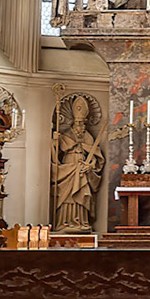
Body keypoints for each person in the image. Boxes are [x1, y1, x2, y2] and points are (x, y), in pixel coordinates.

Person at [50, 96, 105, 232]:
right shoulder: (66, 135)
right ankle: (64, 222)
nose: (80, 127)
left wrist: (90, 165)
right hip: (68, 166)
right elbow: (55, 154)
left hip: (81, 168)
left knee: (82, 192)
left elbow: (95, 156)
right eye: (78, 124)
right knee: (67, 196)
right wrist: (55, 142)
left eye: (82, 124)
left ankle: (81, 221)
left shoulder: (88, 137)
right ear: (73, 124)